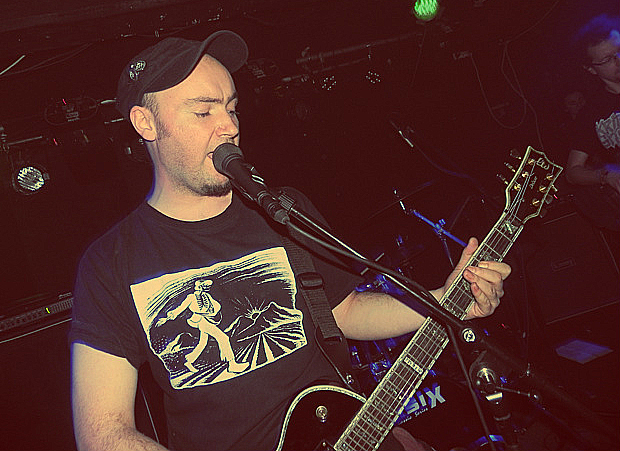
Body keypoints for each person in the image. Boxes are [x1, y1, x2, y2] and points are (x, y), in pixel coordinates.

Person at [69, 30, 511, 451]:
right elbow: (103, 434)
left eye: (232, 108)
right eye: (204, 112)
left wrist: (445, 300)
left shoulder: (283, 210)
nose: (228, 126)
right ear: (146, 123)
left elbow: (346, 311)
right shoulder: (111, 262)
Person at [565, 13, 620, 231]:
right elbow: (573, 171)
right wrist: (606, 176)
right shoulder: (592, 113)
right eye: (608, 59)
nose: (618, 60)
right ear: (590, 68)